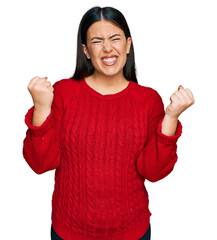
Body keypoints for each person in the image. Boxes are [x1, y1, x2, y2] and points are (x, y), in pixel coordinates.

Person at [22, 6, 195, 240]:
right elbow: (40, 164)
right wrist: (41, 107)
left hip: (132, 232)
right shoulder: (63, 93)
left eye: (115, 38)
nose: (107, 48)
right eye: (97, 41)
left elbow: (153, 172)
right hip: (68, 232)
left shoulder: (148, 100)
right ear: (85, 50)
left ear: (128, 44)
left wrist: (171, 117)